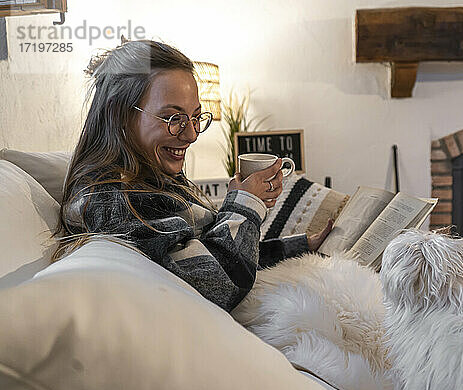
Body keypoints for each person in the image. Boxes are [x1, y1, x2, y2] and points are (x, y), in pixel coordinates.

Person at [51, 39, 333, 312]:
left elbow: (206, 252)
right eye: (174, 119)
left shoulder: (152, 178)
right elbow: (220, 285)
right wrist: (245, 204)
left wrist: (300, 245)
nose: (191, 134)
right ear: (120, 115)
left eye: (196, 117)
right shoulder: (112, 201)